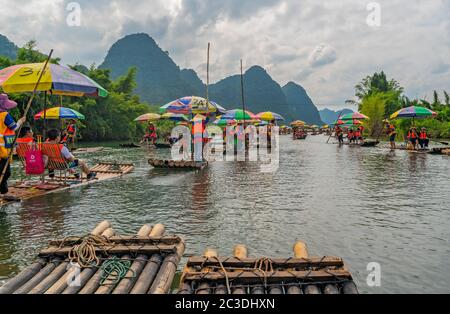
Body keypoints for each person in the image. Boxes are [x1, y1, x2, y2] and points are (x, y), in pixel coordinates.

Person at [0, 94, 26, 198]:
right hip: (2, 149)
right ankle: (4, 192)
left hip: (3, 148)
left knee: (3, 171)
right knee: (6, 172)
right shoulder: (4, 115)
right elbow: (14, 127)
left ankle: (4, 192)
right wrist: (20, 121)